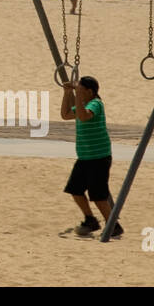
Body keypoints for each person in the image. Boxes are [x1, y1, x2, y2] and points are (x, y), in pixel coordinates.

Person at [60, 75, 122, 238]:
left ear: (89, 91)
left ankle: (113, 225)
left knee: (98, 195)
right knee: (75, 189)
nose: (78, 92)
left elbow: (84, 116)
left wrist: (78, 97)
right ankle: (90, 219)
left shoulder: (96, 104)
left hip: (99, 156)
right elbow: (66, 114)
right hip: (85, 157)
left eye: (80, 89)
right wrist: (67, 93)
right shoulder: (83, 105)